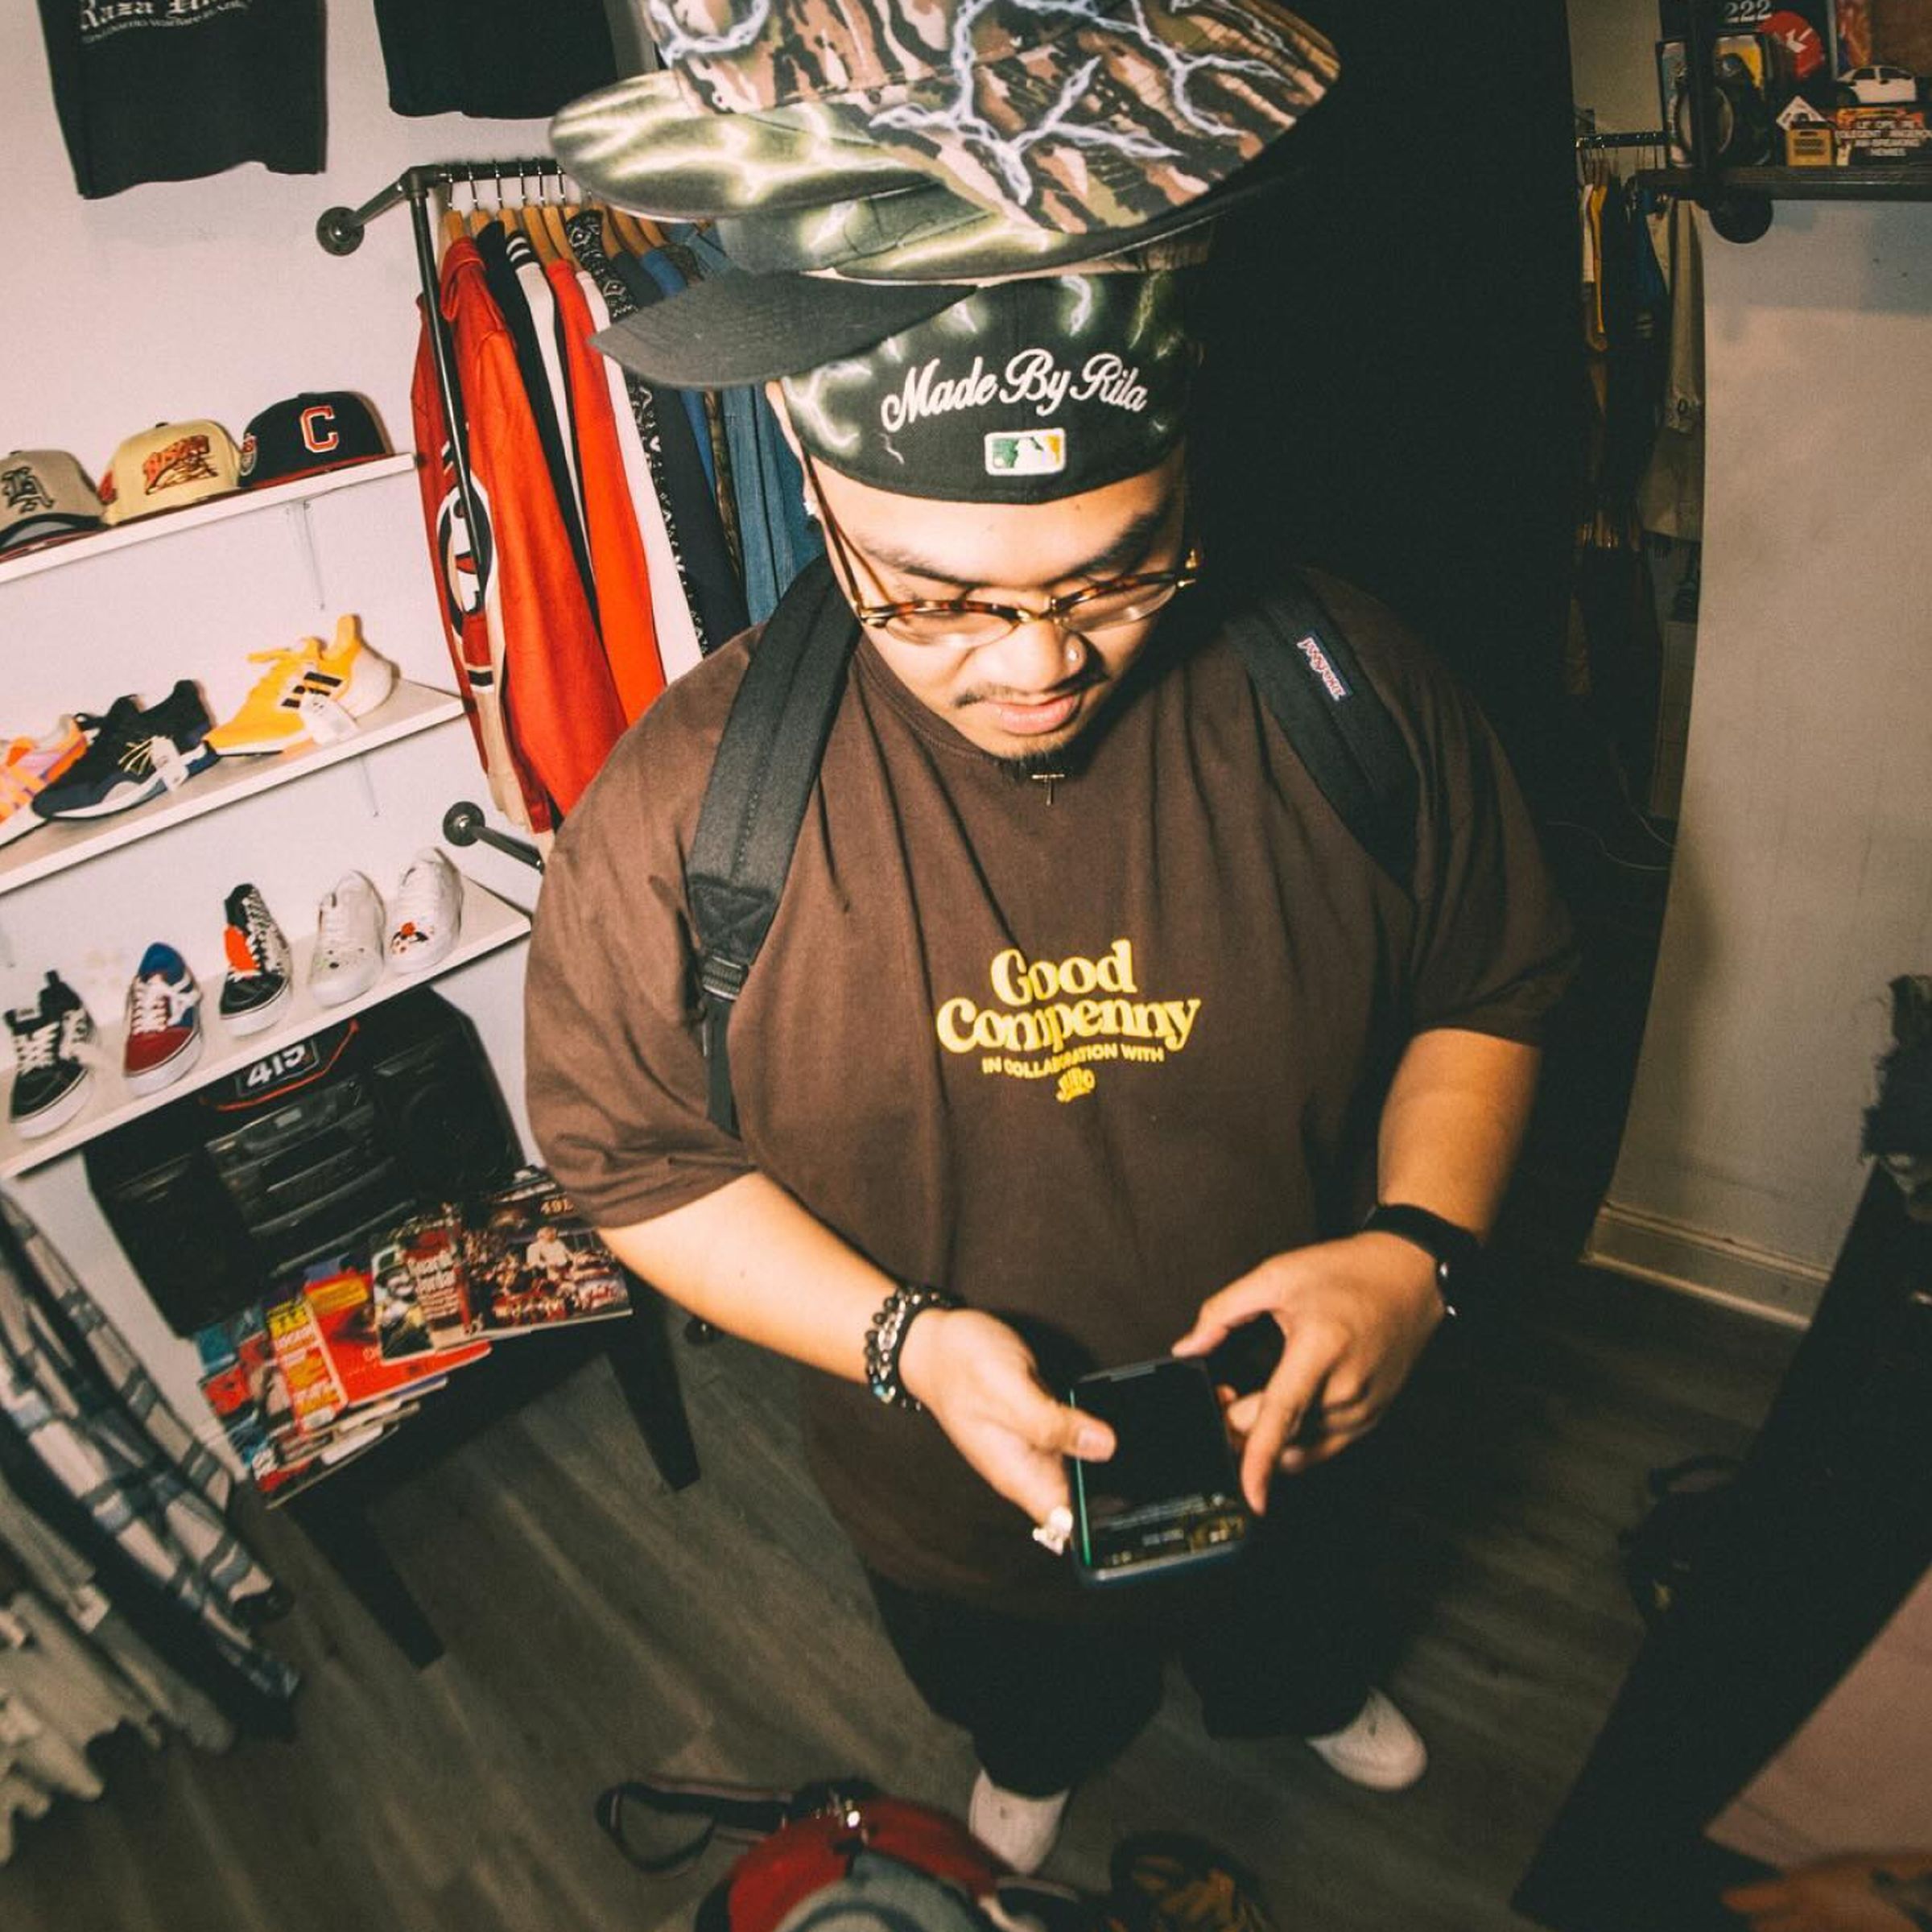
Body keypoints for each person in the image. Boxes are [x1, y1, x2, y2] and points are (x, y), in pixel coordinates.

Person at [527, 0, 1575, 1874]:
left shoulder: (1347, 688)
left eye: (1116, 575)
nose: (1034, 667)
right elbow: (632, 1159)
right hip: (941, 1497)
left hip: (1307, 1446)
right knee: (1017, 1686)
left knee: (1298, 1630)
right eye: (933, 603)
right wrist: (907, 1345)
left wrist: (1414, 1258)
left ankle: (1306, 1690)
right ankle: (1041, 1742)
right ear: (821, 496)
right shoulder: (687, 816)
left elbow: (1486, 982)